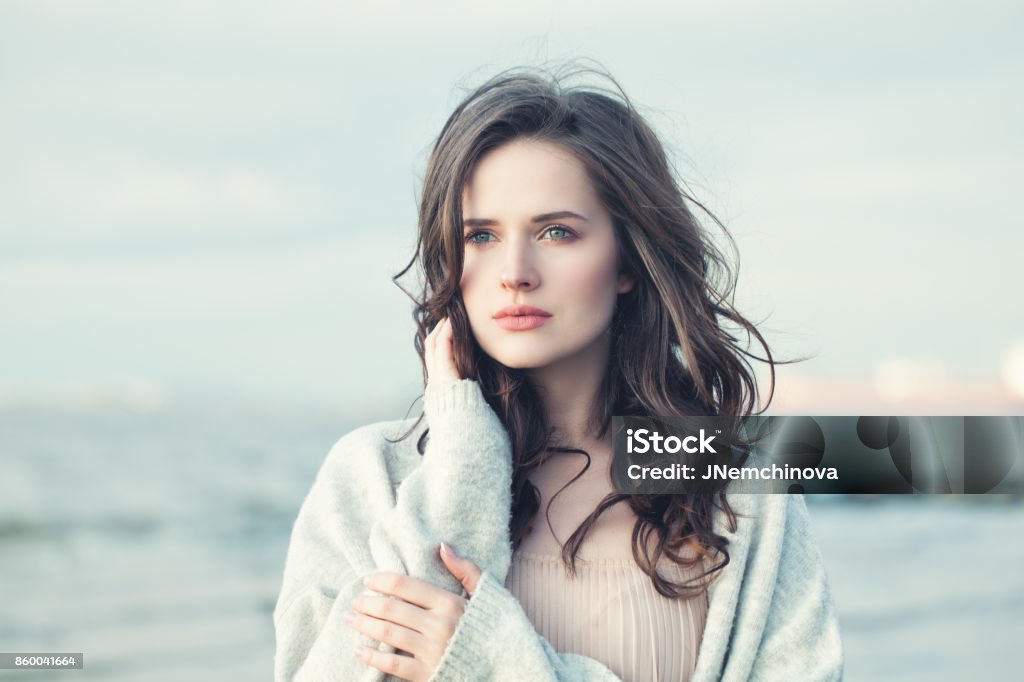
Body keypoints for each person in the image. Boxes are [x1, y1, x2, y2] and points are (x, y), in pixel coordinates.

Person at [273, 65, 843, 681]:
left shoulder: (732, 483)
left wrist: (491, 665)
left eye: (556, 231)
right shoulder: (370, 477)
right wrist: (463, 456)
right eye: (482, 236)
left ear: (626, 259)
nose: (515, 270)